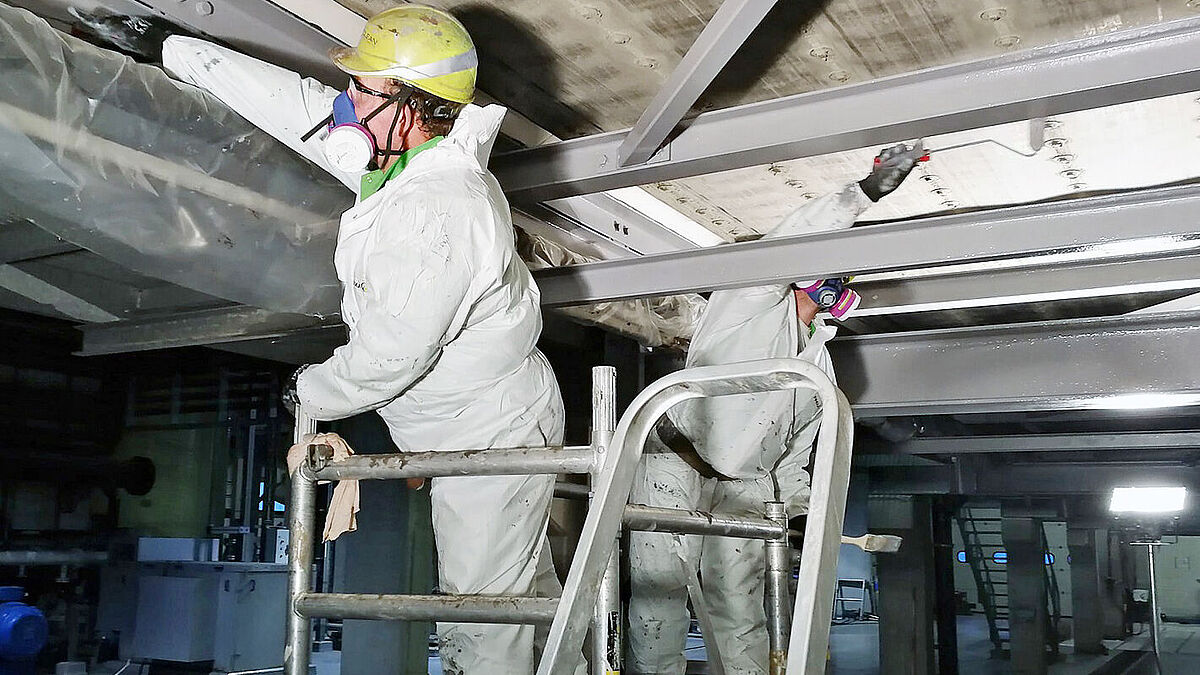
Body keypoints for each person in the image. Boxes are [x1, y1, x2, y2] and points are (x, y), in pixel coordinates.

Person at [163, 7, 571, 674]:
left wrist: (307, 391)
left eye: (363, 88)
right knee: (527, 603)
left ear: (410, 107)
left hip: (492, 435)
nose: (346, 102)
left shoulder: (439, 208)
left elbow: (391, 357)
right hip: (469, 423)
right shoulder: (401, 162)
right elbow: (297, 107)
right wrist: (181, 53)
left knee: (482, 618)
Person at [626, 144, 921, 675]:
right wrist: (863, 194)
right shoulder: (748, 301)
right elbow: (784, 245)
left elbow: (796, 450)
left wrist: (800, 509)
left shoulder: (819, 362)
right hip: (678, 464)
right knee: (661, 598)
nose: (840, 289)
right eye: (836, 277)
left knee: (740, 609)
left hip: (746, 485)